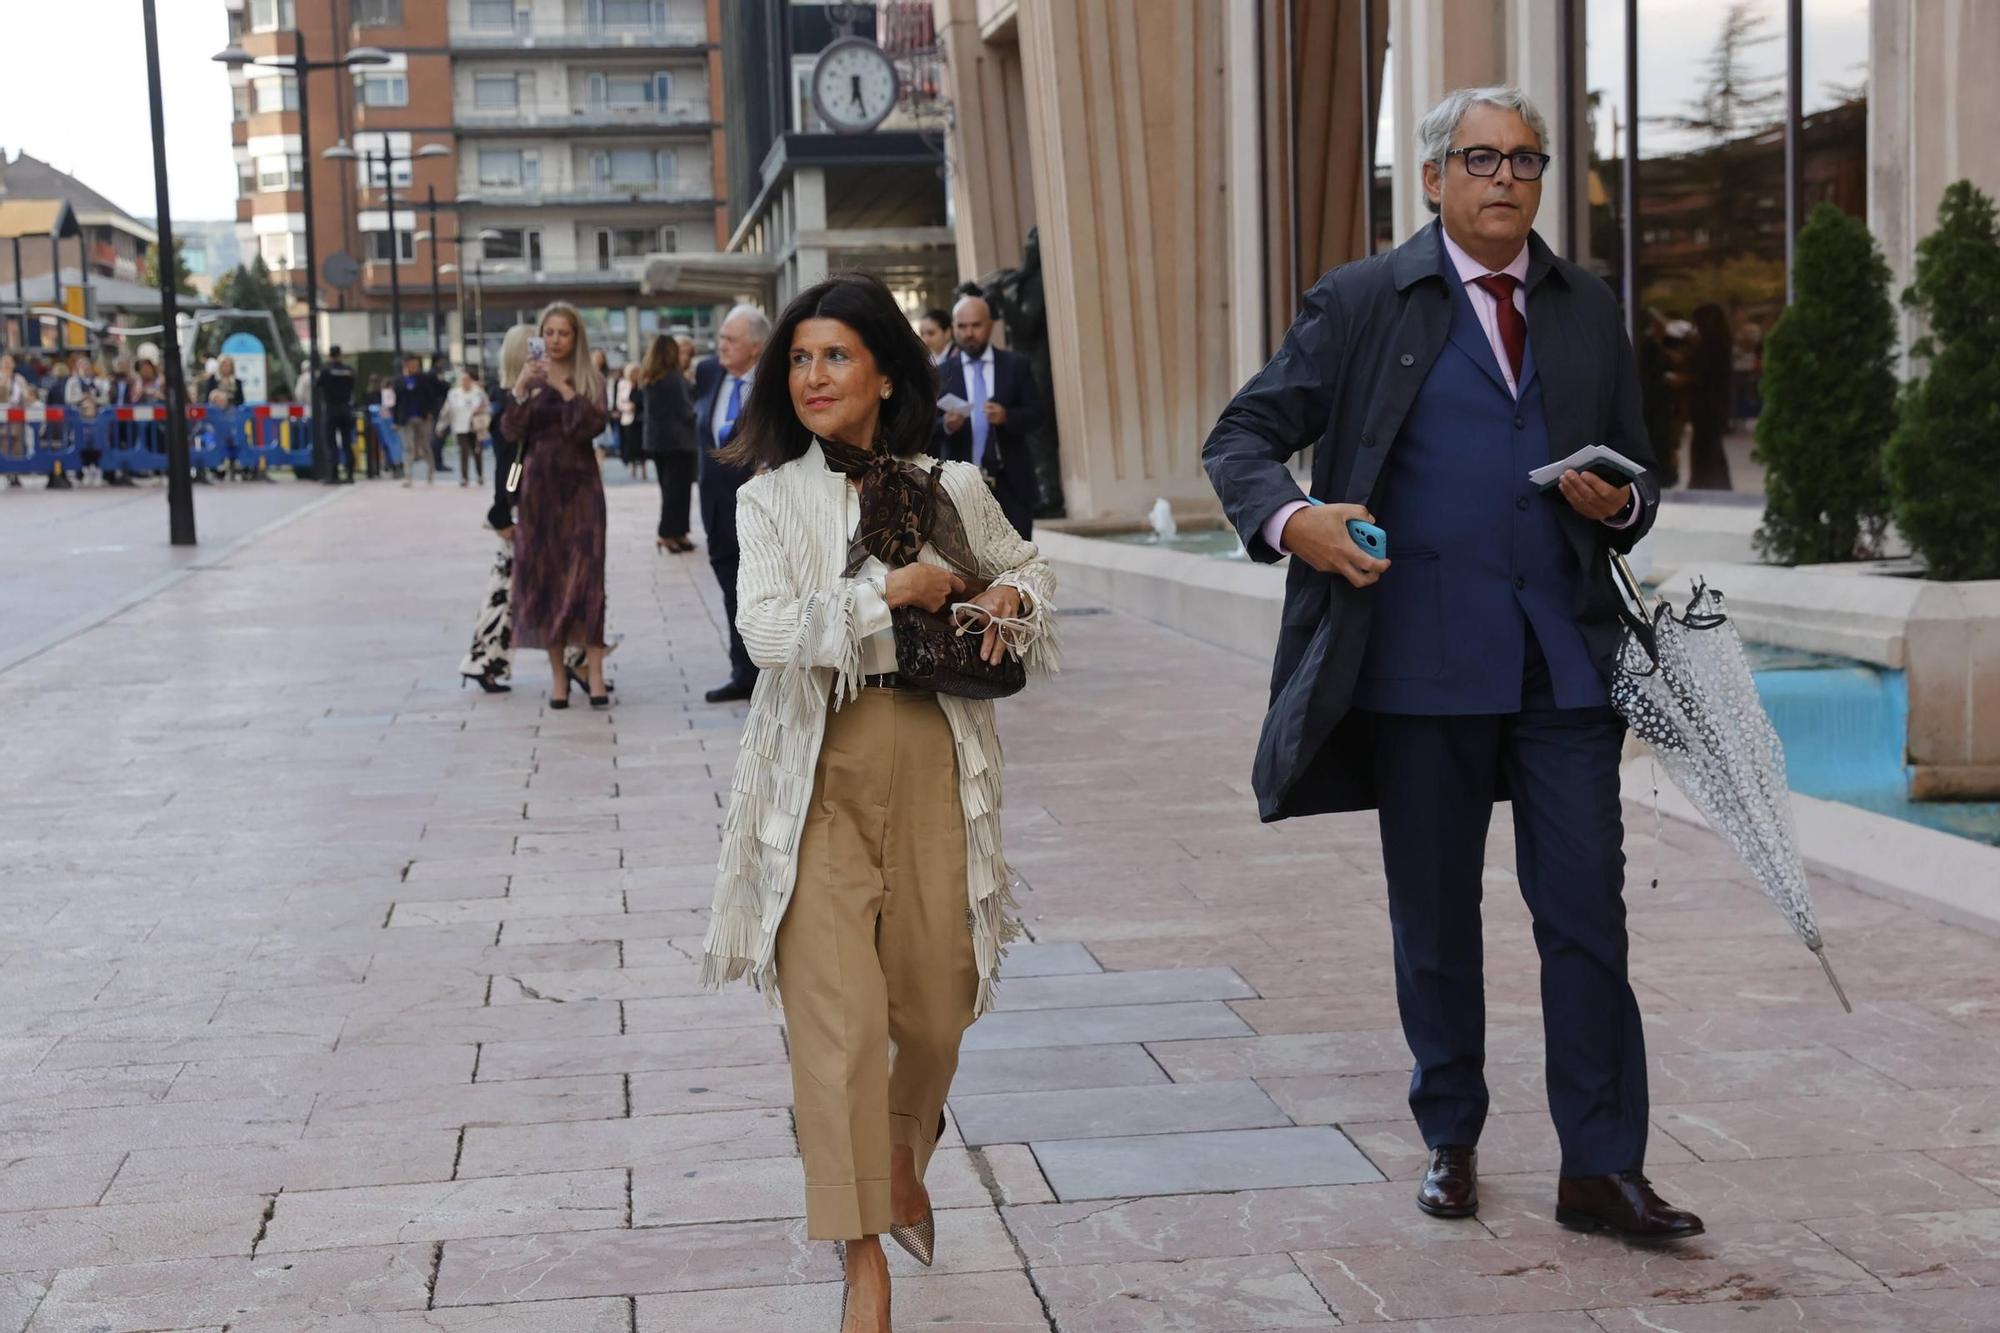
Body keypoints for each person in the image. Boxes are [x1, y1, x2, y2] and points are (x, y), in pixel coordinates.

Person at [1202, 85, 1702, 1244]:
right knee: (1433, 914)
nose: (1505, 178)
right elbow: (1241, 438)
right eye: (1480, 158)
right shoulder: (1363, 299)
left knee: (1585, 913)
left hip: (1561, 662)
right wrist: (1297, 522)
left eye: (1524, 160)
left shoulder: (1585, 306)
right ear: (1431, 178)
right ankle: (1450, 1135)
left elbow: (1638, 475)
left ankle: (1600, 1167)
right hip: (1417, 661)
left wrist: (1619, 499)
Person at [698, 272, 1058, 1333]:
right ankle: (863, 1258)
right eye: (800, 359)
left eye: (835, 357)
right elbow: (766, 632)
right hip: (813, 779)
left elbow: (1032, 575)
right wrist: (883, 592)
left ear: (886, 373)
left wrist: (1002, 597)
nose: (812, 376)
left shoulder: (952, 485)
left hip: (933, 764)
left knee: (939, 1003)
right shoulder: (767, 498)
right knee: (839, 1027)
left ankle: (901, 1155)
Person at [504, 303, 612, 709]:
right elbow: (510, 430)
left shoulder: (590, 378)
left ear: (576, 337)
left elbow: (593, 426)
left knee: (587, 580)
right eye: (548, 332)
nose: (555, 340)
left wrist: (564, 387)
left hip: (581, 491)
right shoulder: (529, 379)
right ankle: (558, 680)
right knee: (547, 581)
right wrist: (520, 388)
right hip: (538, 494)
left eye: (563, 333)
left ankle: (596, 674)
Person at [694, 304, 767, 703]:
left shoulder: (773, 385)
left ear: (755, 347)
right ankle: (743, 673)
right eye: (721, 337)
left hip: (759, 505)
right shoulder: (708, 374)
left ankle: (771, 675)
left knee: (763, 588)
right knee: (730, 590)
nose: (720, 346)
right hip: (717, 506)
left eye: (730, 339)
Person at [934, 294, 1043, 540]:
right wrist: (946, 426)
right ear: (953, 328)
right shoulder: (941, 374)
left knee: (1018, 563)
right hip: (962, 487)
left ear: (990, 324)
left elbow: (1037, 415)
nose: (969, 333)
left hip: (1011, 483)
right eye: (962, 327)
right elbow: (922, 429)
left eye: (976, 325)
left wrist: (1007, 417)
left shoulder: (1016, 365)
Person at [636, 333, 697, 553]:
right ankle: (668, 533)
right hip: (678, 441)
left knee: (668, 489)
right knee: (678, 491)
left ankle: (677, 533)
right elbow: (686, 410)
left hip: (657, 441)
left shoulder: (650, 377)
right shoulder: (673, 377)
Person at [1686, 303, 1735, 491]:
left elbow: (1701, 373)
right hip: (1714, 403)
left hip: (1708, 404)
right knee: (1711, 446)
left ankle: (1705, 481)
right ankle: (1714, 482)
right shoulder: (1719, 343)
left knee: (1706, 445)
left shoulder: (1711, 345)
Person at [444, 368, 491, 487]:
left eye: (467, 379)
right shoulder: (454, 393)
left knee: (477, 452)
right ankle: (464, 477)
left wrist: (480, 411)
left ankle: (480, 475)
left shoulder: (478, 392)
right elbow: (447, 410)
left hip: (475, 427)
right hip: (460, 427)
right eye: (463, 379)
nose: (465, 382)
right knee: (463, 452)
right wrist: (441, 425)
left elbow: (487, 407)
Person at [396, 355, 436, 486]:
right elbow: (395, 402)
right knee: (408, 447)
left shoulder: (424, 379)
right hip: (406, 418)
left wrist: (430, 412)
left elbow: (431, 396)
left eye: (416, 365)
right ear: (406, 366)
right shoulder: (399, 381)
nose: (415, 367)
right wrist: (396, 420)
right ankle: (408, 476)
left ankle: (430, 472)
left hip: (422, 417)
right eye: (412, 365)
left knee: (425, 446)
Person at [320, 346, 358, 483]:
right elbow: (353, 385)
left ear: (330, 355)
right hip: (346, 408)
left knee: (331, 443)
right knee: (347, 443)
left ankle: (333, 475)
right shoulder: (348, 370)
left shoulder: (326, 370)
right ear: (340, 355)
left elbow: (318, 384)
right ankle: (350, 474)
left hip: (331, 408)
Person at [616, 362, 648, 480]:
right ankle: (633, 469)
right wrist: (629, 407)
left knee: (642, 445)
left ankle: (644, 470)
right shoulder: (623, 384)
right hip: (629, 418)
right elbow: (619, 402)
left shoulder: (643, 385)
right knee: (631, 445)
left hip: (641, 419)